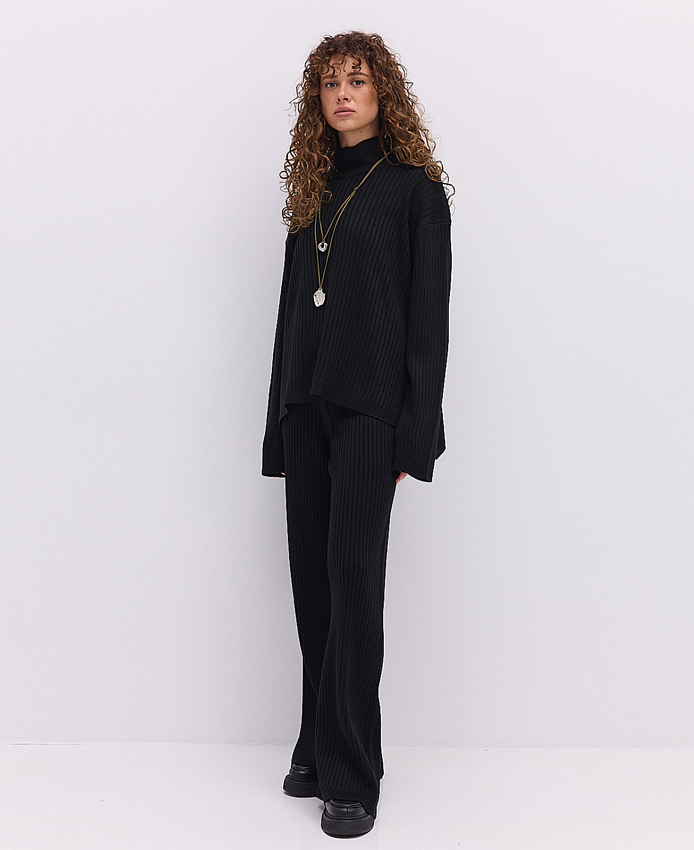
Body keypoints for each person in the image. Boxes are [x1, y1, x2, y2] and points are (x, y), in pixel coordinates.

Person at [261, 30, 453, 838]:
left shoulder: (415, 192)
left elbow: (428, 322)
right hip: (305, 406)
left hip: (372, 412)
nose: (343, 94)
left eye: (359, 81)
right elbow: (289, 319)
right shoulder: (310, 193)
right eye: (331, 83)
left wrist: (417, 432)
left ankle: (351, 773)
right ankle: (315, 741)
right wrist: (276, 426)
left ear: (383, 95)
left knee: (352, 579)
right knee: (312, 581)